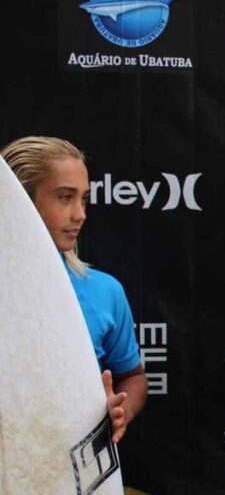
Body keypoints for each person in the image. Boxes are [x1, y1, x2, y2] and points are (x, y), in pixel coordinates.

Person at [2, 136, 147, 443]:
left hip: (69, 478)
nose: (80, 214)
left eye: (83, 198)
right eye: (65, 197)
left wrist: (121, 412)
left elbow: (132, 378)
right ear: (20, 201)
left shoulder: (104, 291)